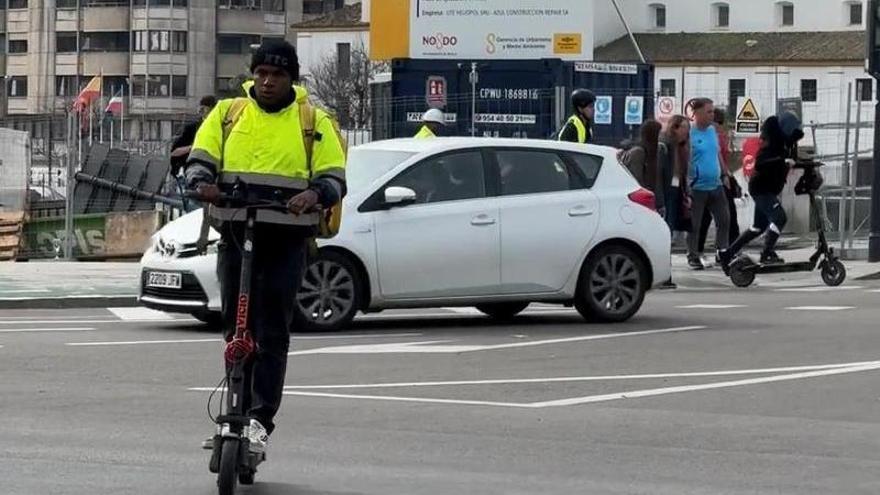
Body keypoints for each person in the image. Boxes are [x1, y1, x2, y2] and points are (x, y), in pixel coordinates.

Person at [185, 40, 346, 455]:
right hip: (238, 234)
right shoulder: (227, 114)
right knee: (236, 328)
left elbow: (334, 177)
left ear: (292, 78)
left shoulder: (314, 121)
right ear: (252, 76)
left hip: (287, 240)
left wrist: (315, 195)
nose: (267, 81)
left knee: (273, 331)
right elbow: (201, 157)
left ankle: (259, 419)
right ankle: (232, 410)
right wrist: (202, 182)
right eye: (261, 74)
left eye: (277, 75)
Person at [720, 113, 800, 269]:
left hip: (768, 189)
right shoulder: (769, 146)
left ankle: (727, 254)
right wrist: (782, 161)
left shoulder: (785, 144)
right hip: (761, 189)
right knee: (779, 217)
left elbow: (789, 159)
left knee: (758, 227)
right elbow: (761, 164)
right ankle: (767, 253)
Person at [686, 98, 730, 270]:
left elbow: (717, 153)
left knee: (724, 220)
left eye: (713, 111)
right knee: (695, 224)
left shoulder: (712, 131)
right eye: (708, 111)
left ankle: (722, 252)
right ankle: (693, 255)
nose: (712, 115)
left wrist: (725, 173)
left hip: (716, 184)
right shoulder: (689, 133)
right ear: (696, 113)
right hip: (697, 187)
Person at [697, 108, 740, 258]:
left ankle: (700, 251)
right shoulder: (716, 137)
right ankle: (727, 249)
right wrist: (726, 175)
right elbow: (719, 158)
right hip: (718, 181)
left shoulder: (708, 136)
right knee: (728, 216)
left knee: (706, 217)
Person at [170, 95, 217, 177]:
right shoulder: (192, 129)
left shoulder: (221, 128)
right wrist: (194, 148)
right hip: (194, 170)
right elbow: (174, 152)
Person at [619, 119, 663, 206]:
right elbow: (637, 179)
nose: (661, 137)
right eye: (659, 134)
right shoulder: (638, 152)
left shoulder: (654, 152)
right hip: (639, 200)